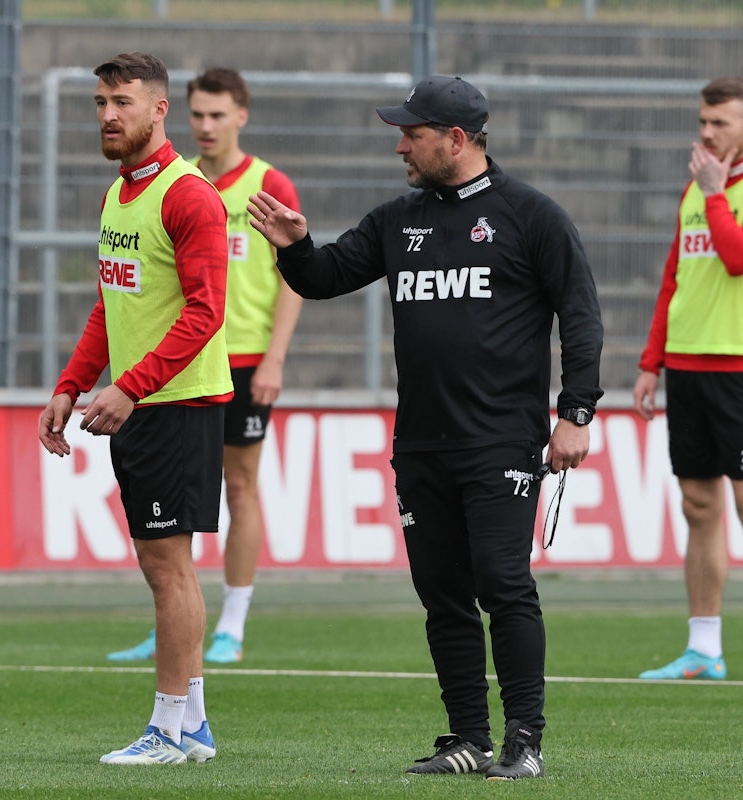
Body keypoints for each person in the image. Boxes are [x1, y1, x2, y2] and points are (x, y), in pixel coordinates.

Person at [248, 75, 603, 780]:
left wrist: (575, 412)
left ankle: (524, 741)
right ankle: (467, 738)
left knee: (503, 583)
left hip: (500, 439)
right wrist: (296, 246)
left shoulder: (531, 215)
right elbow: (323, 278)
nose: (401, 147)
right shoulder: (396, 220)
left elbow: (581, 314)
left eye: (412, 135)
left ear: (456, 139)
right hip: (420, 443)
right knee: (441, 595)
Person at [38, 52, 232, 765]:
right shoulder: (120, 194)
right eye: (100, 103)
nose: (108, 115)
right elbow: (110, 302)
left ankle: (167, 730)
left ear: (159, 109)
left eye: (122, 102)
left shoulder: (188, 196)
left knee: (167, 568)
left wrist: (129, 387)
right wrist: (70, 384)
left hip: (175, 404)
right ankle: (194, 726)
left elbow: (206, 312)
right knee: (166, 565)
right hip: (146, 402)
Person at [106, 67, 303, 666]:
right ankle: (175, 623)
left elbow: (293, 275)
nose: (207, 125)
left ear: (241, 115)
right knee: (173, 516)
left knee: (239, 486)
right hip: (182, 361)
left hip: (242, 359)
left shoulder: (268, 183)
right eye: (198, 114)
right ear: (178, 113)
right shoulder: (176, 181)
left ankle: (232, 625)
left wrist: (274, 357)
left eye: (218, 115)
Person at [632, 76, 743, 682]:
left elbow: (737, 258)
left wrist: (716, 194)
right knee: (699, 505)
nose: (706, 132)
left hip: (738, 367)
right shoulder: (696, 190)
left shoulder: (715, 190)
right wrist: (652, 362)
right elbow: (675, 277)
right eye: (704, 120)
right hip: (689, 368)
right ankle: (704, 650)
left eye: (720, 122)